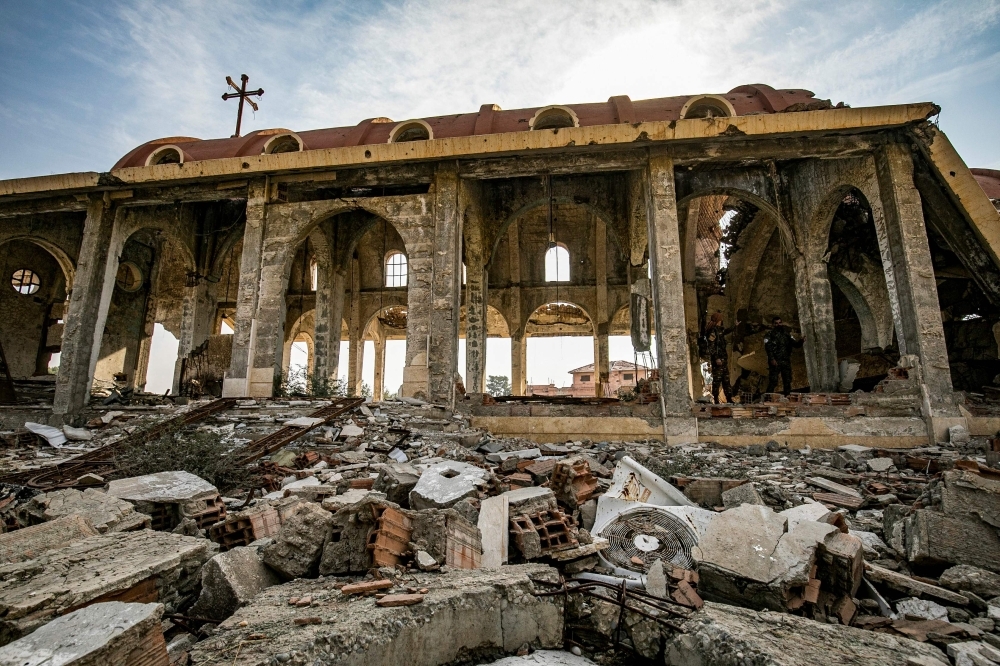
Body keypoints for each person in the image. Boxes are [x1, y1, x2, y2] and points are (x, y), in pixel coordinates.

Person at [764, 316, 803, 396]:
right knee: (773, 381)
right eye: (776, 323)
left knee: (787, 381)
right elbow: (768, 348)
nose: (778, 324)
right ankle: (767, 398)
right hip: (775, 361)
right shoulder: (769, 335)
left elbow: (795, 344)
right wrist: (772, 359)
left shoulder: (786, 334)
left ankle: (787, 398)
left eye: (780, 322)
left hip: (785, 361)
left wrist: (801, 341)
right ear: (773, 325)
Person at [703, 312, 735, 404]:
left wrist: (735, 326)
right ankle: (716, 400)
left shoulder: (719, 330)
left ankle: (729, 399)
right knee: (717, 380)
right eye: (721, 319)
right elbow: (711, 346)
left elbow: (725, 331)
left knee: (726, 380)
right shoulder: (713, 331)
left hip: (723, 360)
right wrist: (716, 358)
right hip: (718, 361)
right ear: (718, 320)